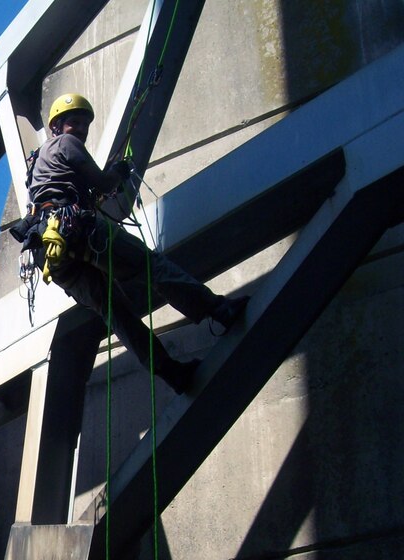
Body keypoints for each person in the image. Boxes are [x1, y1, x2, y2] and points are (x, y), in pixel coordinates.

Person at [18, 92, 248, 392]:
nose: (81, 130)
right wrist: (119, 173)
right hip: (75, 228)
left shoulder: (37, 165)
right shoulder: (65, 143)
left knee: (115, 311)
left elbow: (67, 191)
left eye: (85, 124)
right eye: (75, 122)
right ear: (57, 127)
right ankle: (218, 310)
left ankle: (171, 373)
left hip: (50, 252)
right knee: (149, 266)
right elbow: (102, 183)